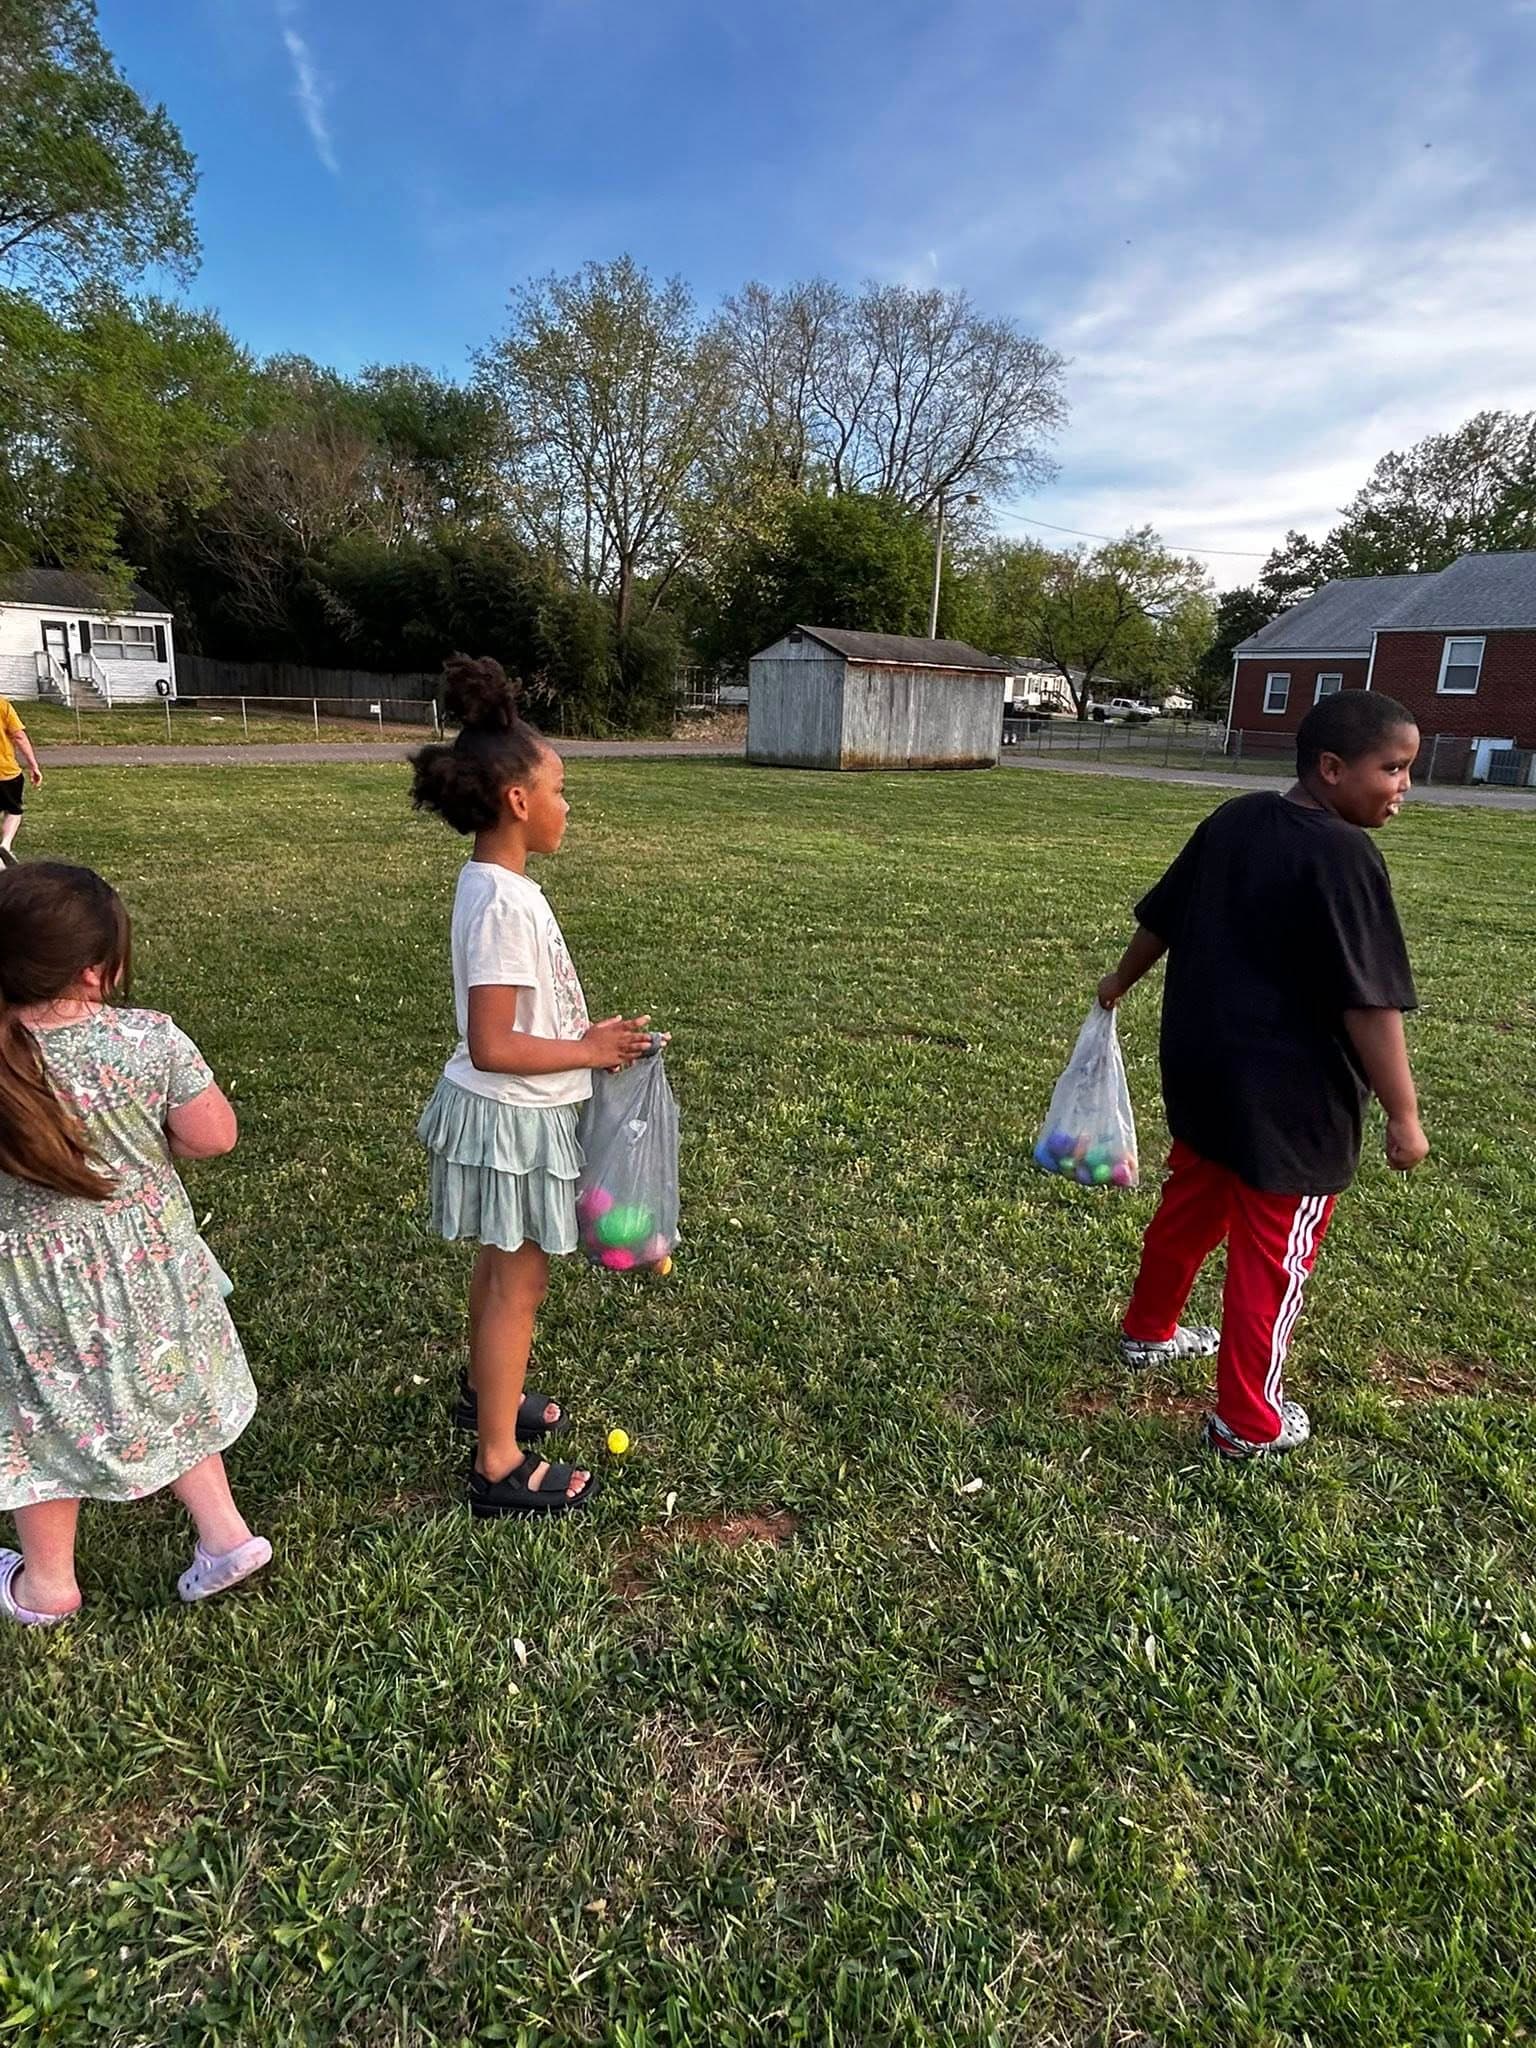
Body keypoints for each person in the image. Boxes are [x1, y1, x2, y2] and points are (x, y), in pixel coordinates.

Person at [1098, 692, 1429, 1459]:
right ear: (1332, 768)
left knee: (1191, 1206)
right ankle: (1249, 1422)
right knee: (1273, 1257)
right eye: (1393, 768)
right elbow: (1369, 1002)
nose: (1405, 786)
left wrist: (1120, 980)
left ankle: (1149, 1329)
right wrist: (1404, 1115)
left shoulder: (1235, 817)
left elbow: (1161, 917)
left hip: (1207, 1072)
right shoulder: (1345, 855)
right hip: (1292, 1104)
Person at [411, 655, 660, 1519]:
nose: (567, 804)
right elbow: (492, 1045)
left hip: (508, 1114)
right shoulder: (502, 903)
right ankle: (498, 1463)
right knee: (519, 1284)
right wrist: (586, 1051)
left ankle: (487, 1395)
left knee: (497, 1269)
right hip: (511, 1116)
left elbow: (518, 1022)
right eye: (560, 789)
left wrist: (588, 1041)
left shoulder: (499, 885)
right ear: (518, 801)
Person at [0, 863, 269, 1625]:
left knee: (36, 1419)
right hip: (150, 1267)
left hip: (29, 1283)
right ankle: (224, 1535)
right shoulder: (148, 1038)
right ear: (95, 970)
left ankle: (48, 1586)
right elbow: (213, 1137)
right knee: (171, 1385)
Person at [0, 695, 43, 866]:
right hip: (6, 772)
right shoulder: (3, 705)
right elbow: (19, 736)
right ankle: (5, 845)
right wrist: (33, 765)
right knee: (14, 810)